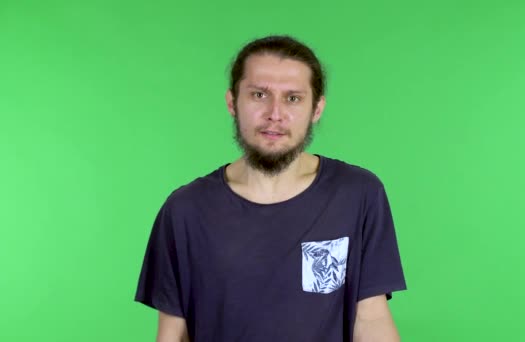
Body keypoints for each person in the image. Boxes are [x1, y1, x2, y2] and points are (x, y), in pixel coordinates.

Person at [134, 35, 407, 342]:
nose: (274, 113)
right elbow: (172, 334)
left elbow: (370, 318)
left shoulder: (358, 194)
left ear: (316, 109)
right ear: (232, 103)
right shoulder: (185, 210)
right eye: (259, 94)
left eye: (293, 98)